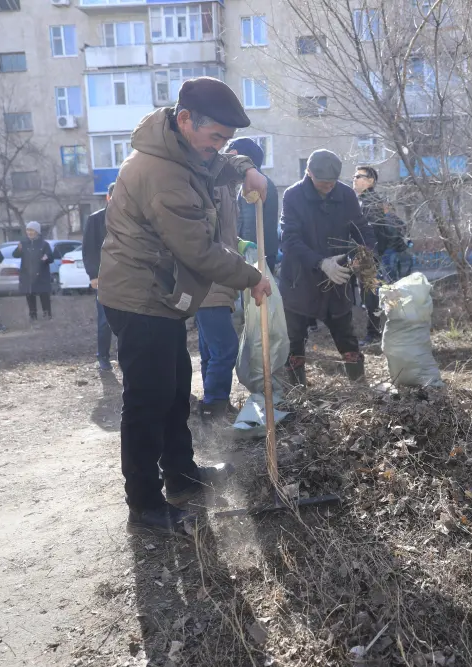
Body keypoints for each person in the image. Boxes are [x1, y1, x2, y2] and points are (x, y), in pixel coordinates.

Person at [97, 77, 273, 537]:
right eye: (216, 137)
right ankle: (145, 506)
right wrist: (253, 277)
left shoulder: (185, 149)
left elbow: (215, 163)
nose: (220, 146)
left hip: (161, 295)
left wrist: (244, 167)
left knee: (176, 390)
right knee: (147, 401)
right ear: (185, 120)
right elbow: (198, 251)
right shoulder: (163, 173)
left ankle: (180, 473)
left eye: (226, 140)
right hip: (140, 298)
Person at [279, 149, 375, 386]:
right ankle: (298, 391)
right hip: (300, 278)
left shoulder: (345, 195)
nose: (329, 187)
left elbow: (361, 228)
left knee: (345, 333)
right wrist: (320, 262)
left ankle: (359, 386)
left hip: (338, 278)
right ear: (309, 173)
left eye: (332, 182)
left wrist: (364, 254)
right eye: (323, 183)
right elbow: (289, 239)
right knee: (295, 338)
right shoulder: (293, 196)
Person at [194, 181, 244, 423]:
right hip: (212, 277)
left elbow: (225, 232)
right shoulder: (215, 185)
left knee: (211, 351)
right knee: (225, 348)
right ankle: (214, 408)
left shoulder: (226, 188)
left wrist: (238, 246)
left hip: (216, 278)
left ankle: (215, 404)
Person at [352, 164, 409, 347]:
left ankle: (374, 335)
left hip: (372, 258)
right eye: (354, 175)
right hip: (371, 257)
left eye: (359, 176)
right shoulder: (364, 201)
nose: (355, 179)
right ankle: (376, 333)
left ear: (370, 181)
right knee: (371, 296)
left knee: (371, 297)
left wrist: (369, 258)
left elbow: (377, 233)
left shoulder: (371, 202)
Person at [228, 138, 279, 275]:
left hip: (256, 256)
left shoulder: (253, 185)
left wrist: (245, 254)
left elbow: (250, 225)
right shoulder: (264, 181)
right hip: (264, 253)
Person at [83, 183, 115, 370]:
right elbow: (89, 250)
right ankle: (102, 356)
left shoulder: (130, 217)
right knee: (105, 320)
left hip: (127, 277)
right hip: (104, 277)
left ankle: (126, 354)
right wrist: (93, 275)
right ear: (108, 197)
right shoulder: (96, 219)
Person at [13, 221, 54, 320]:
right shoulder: (23, 243)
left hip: (41, 275)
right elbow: (15, 255)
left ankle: (47, 314)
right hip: (27, 274)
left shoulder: (44, 244)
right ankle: (33, 315)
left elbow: (51, 258)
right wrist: (18, 250)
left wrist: (47, 257)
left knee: (44, 295)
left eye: (31, 230)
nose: (29, 232)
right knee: (30, 295)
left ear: (37, 232)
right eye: (28, 230)